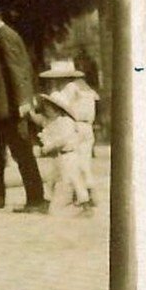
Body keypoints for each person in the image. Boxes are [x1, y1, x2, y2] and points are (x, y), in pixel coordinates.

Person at [0, 0, 47, 213]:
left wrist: (24, 101)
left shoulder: (6, 37)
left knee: (22, 154)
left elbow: (18, 70)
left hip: (11, 110)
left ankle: (36, 199)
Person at [38, 60, 99, 205]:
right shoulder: (85, 88)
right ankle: (88, 193)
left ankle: (80, 195)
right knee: (84, 163)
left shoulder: (67, 89)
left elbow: (59, 106)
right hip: (87, 127)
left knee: (72, 163)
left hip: (74, 127)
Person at [31, 91, 92, 216]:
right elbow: (39, 121)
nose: (47, 110)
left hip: (69, 155)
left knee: (74, 178)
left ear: (57, 109)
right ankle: (50, 201)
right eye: (46, 107)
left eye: (50, 108)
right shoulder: (49, 121)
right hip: (58, 156)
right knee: (52, 179)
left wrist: (49, 146)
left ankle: (84, 203)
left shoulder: (65, 121)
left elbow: (63, 139)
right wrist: (30, 110)